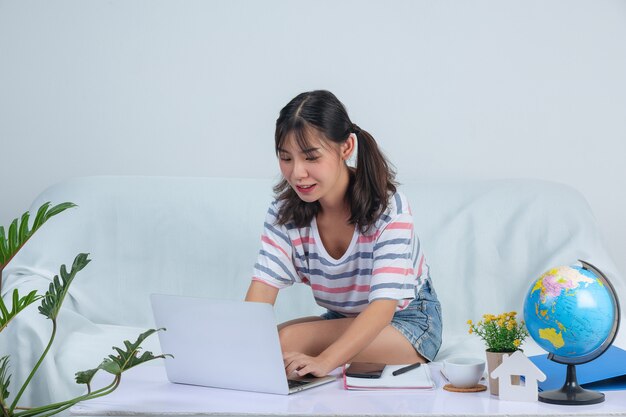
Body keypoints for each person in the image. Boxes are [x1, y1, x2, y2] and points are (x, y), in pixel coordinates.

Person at [245, 90, 442, 378]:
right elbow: (262, 290)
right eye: (286, 158)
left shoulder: (387, 208)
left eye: (311, 157)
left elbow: (383, 308)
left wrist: (325, 361)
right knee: (265, 342)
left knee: (285, 342)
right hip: (346, 320)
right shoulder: (285, 213)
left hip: (409, 323)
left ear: (346, 147)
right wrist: (236, 347)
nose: (297, 173)